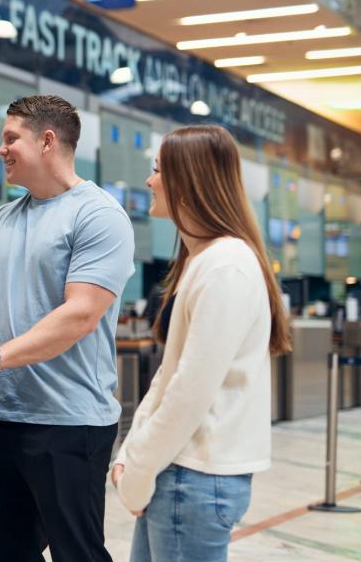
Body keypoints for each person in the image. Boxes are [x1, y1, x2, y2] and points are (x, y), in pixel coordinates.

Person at [0, 95, 135, 562]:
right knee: (10, 551)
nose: (1, 150)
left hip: (69, 421)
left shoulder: (99, 216)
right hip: (2, 416)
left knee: (75, 551)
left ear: (47, 140)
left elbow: (80, 313)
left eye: (10, 138)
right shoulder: (2, 218)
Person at [111, 125, 291, 562]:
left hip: (191, 478)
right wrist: (132, 455)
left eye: (157, 171)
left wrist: (137, 469)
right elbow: (170, 375)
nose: (149, 182)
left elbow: (189, 393)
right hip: (179, 473)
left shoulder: (226, 267)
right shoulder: (206, 260)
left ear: (187, 180)